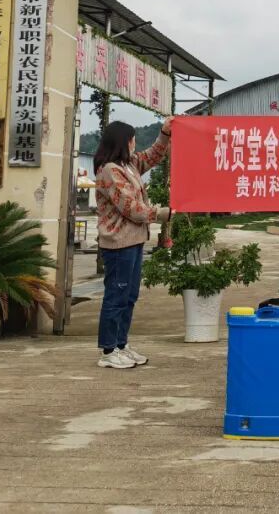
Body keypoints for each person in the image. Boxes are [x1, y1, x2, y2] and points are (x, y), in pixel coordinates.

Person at [93, 118, 174, 369]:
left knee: (129, 296)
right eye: (132, 139)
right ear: (123, 142)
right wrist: (161, 213)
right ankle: (108, 350)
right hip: (118, 244)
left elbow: (152, 155)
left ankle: (121, 344)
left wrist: (164, 133)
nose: (134, 143)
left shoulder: (128, 165)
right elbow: (130, 207)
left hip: (134, 241)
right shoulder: (110, 170)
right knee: (116, 296)